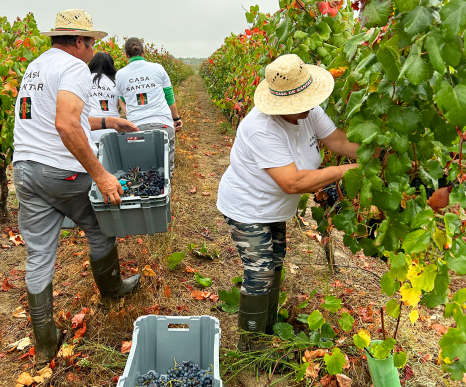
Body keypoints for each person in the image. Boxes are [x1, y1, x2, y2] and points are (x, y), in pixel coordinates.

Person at [12, 9, 142, 366]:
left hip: (25, 170)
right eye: (92, 43)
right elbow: (66, 125)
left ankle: (44, 343)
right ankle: (112, 290)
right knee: (103, 223)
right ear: (80, 42)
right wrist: (100, 175)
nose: (93, 50)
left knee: (39, 254)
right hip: (61, 171)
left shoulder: (37, 66)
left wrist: (107, 121)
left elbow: (60, 117)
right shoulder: (74, 68)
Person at [216, 54, 362, 350]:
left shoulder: (310, 111)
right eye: (297, 106)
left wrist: (376, 155)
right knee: (260, 270)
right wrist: (347, 171)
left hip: (274, 207)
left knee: (276, 261)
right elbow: (292, 182)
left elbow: (341, 143)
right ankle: (251, 347)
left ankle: (267, 329)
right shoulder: (261, 128)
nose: (305, 108)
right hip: (246, 206)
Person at [115, 37, 182, 174]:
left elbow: (121, 99)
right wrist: (176, 119)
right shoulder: (158, 68)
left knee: (141, 171)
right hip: (162, 124)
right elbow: (169, 97)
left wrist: (130, 114)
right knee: (166, 173)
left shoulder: (120, 74)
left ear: (126, 55)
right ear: (144, 53)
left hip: (136, 127)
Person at [86, 51, 121, 146]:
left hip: (91, 130)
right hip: (113, 132)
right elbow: (123, 106)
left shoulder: (85, 80)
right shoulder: (115, 83)